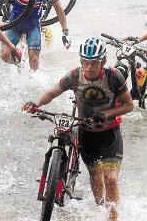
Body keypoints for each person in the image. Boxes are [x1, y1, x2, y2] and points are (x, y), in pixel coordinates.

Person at [21, 37, 134, 221]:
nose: (89, 67)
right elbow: (52, 92)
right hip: (86, 134)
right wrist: (35, 103)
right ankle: (101, 210)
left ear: (103, 62)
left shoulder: (114, 77)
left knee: (111, 179)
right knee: (96, 176)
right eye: (85, 62)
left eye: (94, 63)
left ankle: (113, 218)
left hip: (110, 134)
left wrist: (106, 113)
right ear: (81, 61)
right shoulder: (74, 76)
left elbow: (129, 105)